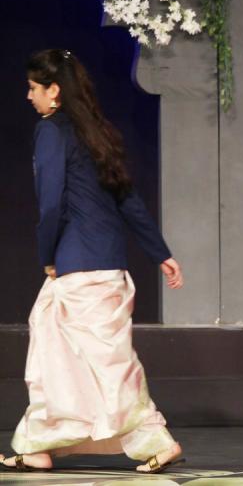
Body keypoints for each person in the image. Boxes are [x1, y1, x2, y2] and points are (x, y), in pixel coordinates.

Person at [4, 49, 184, 474]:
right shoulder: (96, 130)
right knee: (59, 350)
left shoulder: (51, 131)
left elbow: (50, 204)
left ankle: (156, 439)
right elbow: (128, 198)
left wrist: (48, 257)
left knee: (100, 362)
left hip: (80, 265)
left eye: (33, 88)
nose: (29, 96)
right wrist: (161, 253)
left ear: (54, 91)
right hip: (107, 264)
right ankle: (40, 444)